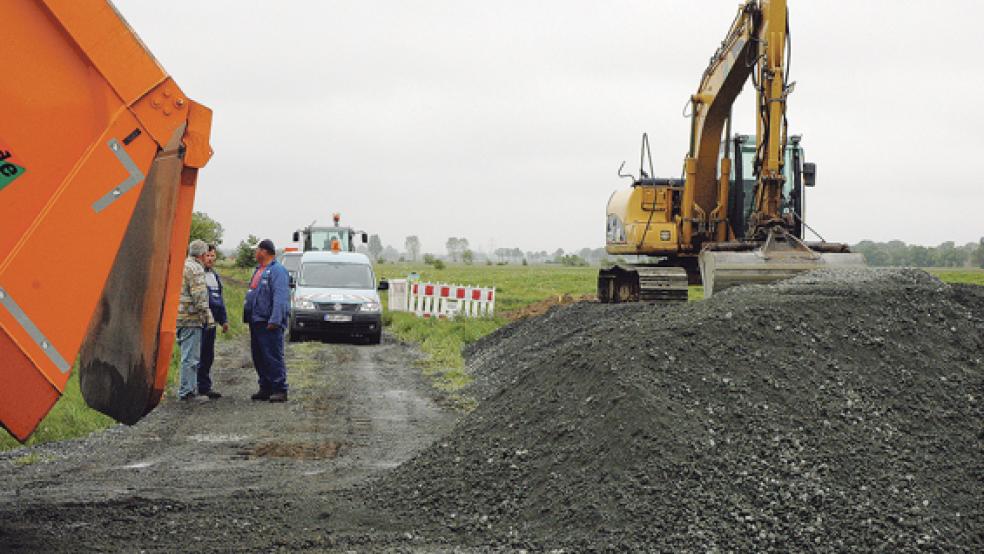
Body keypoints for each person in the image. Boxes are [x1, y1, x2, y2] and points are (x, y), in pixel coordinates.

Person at [243, 239, 290, 402]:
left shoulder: (278, 271)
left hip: (269, 322)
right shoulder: (259, 270)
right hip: (256, 321)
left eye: (257, 250)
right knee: (259, 356)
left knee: (272, 355)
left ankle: (279, 388)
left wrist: (276, 319)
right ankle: (265, 387)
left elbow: (280, 297)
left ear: (264, 251)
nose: (255, 253)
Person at [177, 239, 214, 401]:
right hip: (191, 318)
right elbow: (199, 295)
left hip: (179, 317)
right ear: (201, 254)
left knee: (186, 355)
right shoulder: (196, 269)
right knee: (191, 358)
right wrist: (208, 317)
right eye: (207, 254)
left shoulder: (184, 265)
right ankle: (187, 392)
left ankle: (187, 389)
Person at [198, 244, 229, 399]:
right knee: (199, 355)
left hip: (212, 323)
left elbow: (219, 300)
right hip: (200, 322)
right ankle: (196, 388)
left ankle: (205, 387)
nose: (210, 259)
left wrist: (224, 320)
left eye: (212, 256)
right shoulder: (198, 274)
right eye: (207, 256)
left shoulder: (214, 276)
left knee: (208, 356)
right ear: (202, 256)